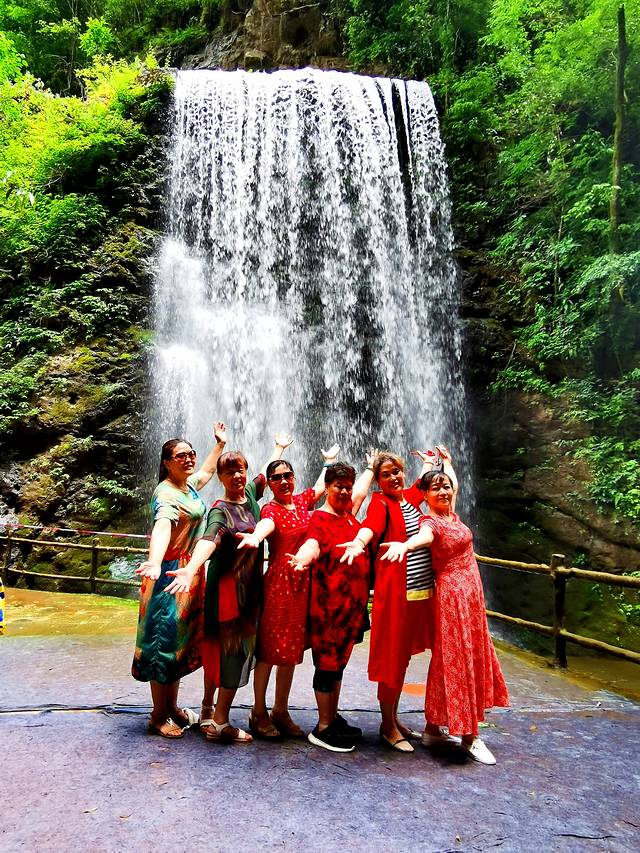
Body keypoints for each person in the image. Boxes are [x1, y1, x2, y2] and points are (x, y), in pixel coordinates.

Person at [165, 433, 293, 745]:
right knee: (229, 652)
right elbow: (209, 538)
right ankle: (220, 722)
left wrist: (278, 448)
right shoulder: (220, 510)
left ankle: (208, 709)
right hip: (227, 594)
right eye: (229, 471)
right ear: (220, 477)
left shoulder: (249, 494)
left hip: (249, 590)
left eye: (240, 470)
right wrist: (192, 567)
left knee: (222, 650)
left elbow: (263, 474)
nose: (237, 476)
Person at [381, 467, 509, 765]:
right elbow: (423, 537)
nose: (443, 491)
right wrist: (405, 545)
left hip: (471, 596)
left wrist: (448, 464)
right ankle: (470, 736)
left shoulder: (452, 515)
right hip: (452, 596)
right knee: (458, 657)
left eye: (446, 487)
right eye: (435, 488)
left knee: (451, 657)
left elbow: (455, 486)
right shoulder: (431, 522)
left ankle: (432, 729)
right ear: (425, 496)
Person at [338, 446, 457, 753]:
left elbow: (426, 485)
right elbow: (370, 526)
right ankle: (387, 725)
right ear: (378, 480)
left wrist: (433, 463)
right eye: (386, 474)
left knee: (403, 658)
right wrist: (358, 542)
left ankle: (394, 718)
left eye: (397, 472)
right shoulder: (381, 503)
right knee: (393, 657)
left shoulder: (412, 500)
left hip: (421, 593)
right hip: (396, 596)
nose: (393, 477)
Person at [235, 443, 340, 740]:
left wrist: (328, 462)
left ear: (294, 478)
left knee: (290, 650)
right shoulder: (270, 509)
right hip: (280, 585)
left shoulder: (302, 501)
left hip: (303, 583)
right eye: (277, 478)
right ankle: (258, 711)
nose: (284, 481)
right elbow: (266, 525)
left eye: (288, 476)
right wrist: (256, 537)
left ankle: (280, 710)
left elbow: (320, 488)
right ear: (269, 484)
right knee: (269, 650)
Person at [132, 422, 227, 738]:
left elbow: (207, 472)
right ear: (167, 463)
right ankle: (158, 715)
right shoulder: (166, 493)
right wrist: (155, 561)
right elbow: (162, 525)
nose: (188, 459)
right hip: (168, 575)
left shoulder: (188, 486)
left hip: (187, 572)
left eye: (191, 454)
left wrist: (219, 445)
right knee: (162, 643)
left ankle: (172, 707)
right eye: (181, 456)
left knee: (176, 643)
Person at [289, 460, 375, 753]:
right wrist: (303, 559)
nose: (345, 491)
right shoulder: (319, 518)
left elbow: (361, 492)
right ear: (326, 487)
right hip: (329, 610)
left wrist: (371, 469)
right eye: (339, 486)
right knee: (326, 665)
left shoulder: (348, 515)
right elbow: (312, 544)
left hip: (352, 609)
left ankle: (333, 716)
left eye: (347, 487)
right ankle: (323, 727)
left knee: (339, 664)